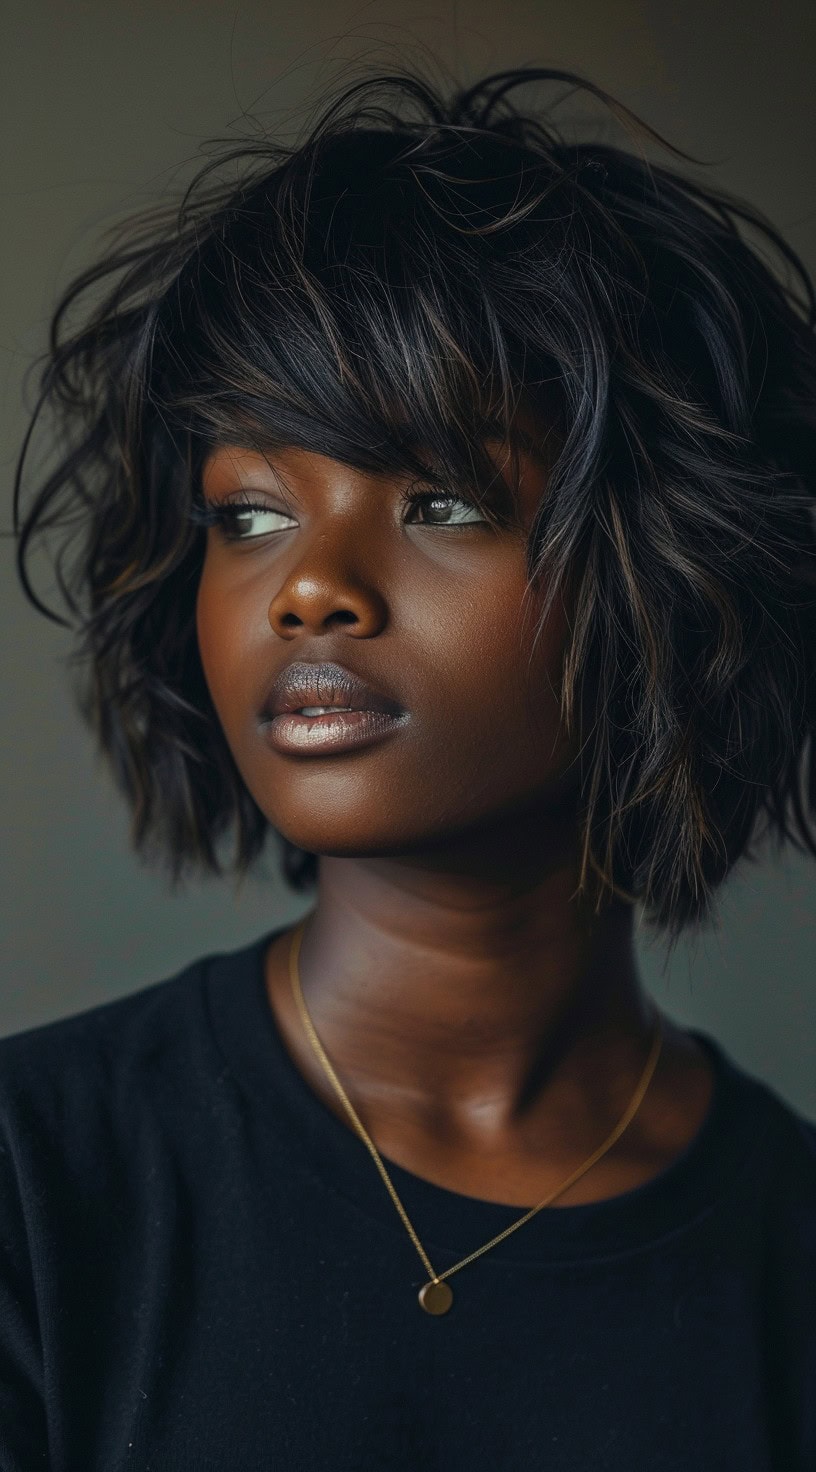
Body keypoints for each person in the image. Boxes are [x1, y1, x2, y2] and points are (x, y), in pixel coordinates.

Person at [4, 62, 815, 1470]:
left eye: (440, 499)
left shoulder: (791, 1261)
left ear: (670, 572)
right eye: (248, 514)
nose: (308, 591)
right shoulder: (35, 1179)